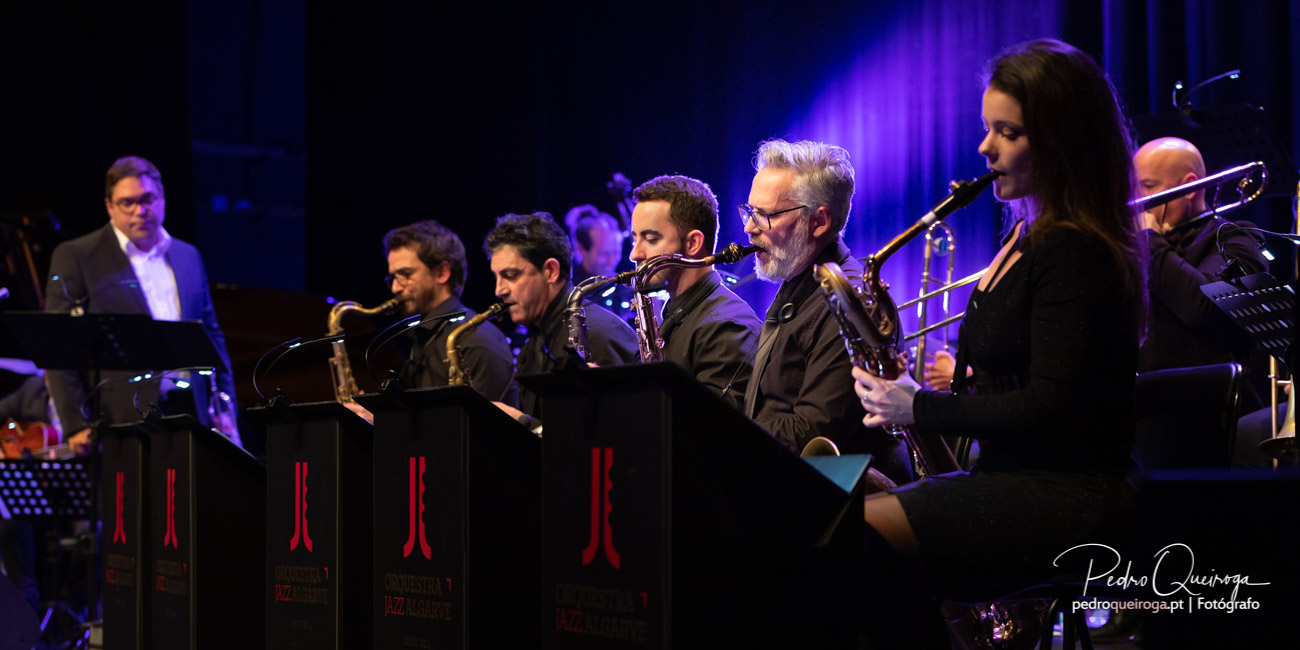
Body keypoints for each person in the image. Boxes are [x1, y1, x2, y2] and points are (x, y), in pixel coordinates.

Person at [852, 39, 1145, 646]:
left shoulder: (1073, 250)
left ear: (1060, 139)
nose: (986, 147)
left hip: (1068, 496)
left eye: (1006, 132)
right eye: (988, 128)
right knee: (828, 512)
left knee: (850, 535)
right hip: (1011, 480)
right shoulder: (1029, 233)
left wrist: (917, 406)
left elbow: (1049, 406)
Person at [740, 138, 909, 484]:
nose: (749, 228)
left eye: (765, 215)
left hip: (842, 501)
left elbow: (812, 433)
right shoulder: (801, 280)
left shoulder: (849, 302)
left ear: (818, 222)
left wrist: (720, 433)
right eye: (749, 211)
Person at [44, 156, 239, 452]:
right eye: (127, 202)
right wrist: (74, 423)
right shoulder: (77, 255)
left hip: (190, 411)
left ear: (162, 198)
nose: (140, 210)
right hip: (118, 419)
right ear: (110, 206)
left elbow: (212, 336)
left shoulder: (188, 256)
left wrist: (224, 409)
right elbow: (60, 344)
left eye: (148, 199)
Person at [1134, 136, 1268, 409]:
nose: (1136, 200)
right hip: (1140, 409)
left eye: (1147, 187)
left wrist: (1149, 242)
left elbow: (1203, 306)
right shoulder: (1132, 246)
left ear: (1188, 187)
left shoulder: (1236, 237)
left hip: (1211, 411)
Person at [484, 212, 638, 423]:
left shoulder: (596, 333)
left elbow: (617, 434)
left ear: (551, 271)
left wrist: (525, 424)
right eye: (497, 277)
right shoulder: (536, 340)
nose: (499, 290)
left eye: (510, 276)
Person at [628, 174, 761, 409]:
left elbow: (707, 433)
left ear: (692, 244)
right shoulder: (676, 313)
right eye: (635, 239)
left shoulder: (727, 327)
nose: (635, 254)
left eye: (650, 239)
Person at [381, 221, 518, 406]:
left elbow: (485, 431)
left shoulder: (475, 341)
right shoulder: (425, 335)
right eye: (393, 278)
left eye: (405, 274)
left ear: (442, 272)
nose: (396, 288)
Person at [565, 206, 628, 285]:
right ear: (580, 248)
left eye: (615, 252)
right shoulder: (569, 289)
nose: (611, 261)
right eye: (604, 254)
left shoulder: (621, 286)